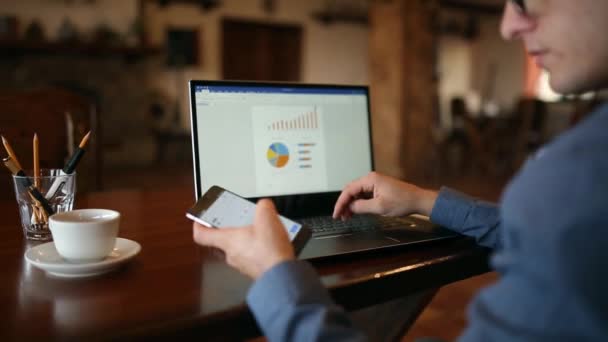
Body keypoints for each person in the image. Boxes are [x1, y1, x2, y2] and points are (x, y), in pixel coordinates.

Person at [193, 0, 608, 340]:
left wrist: (276, 276)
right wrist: (423, 200)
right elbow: (535, 237)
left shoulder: (577, 182)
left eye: (522, 0)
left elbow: (556, 232)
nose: (507, 26)